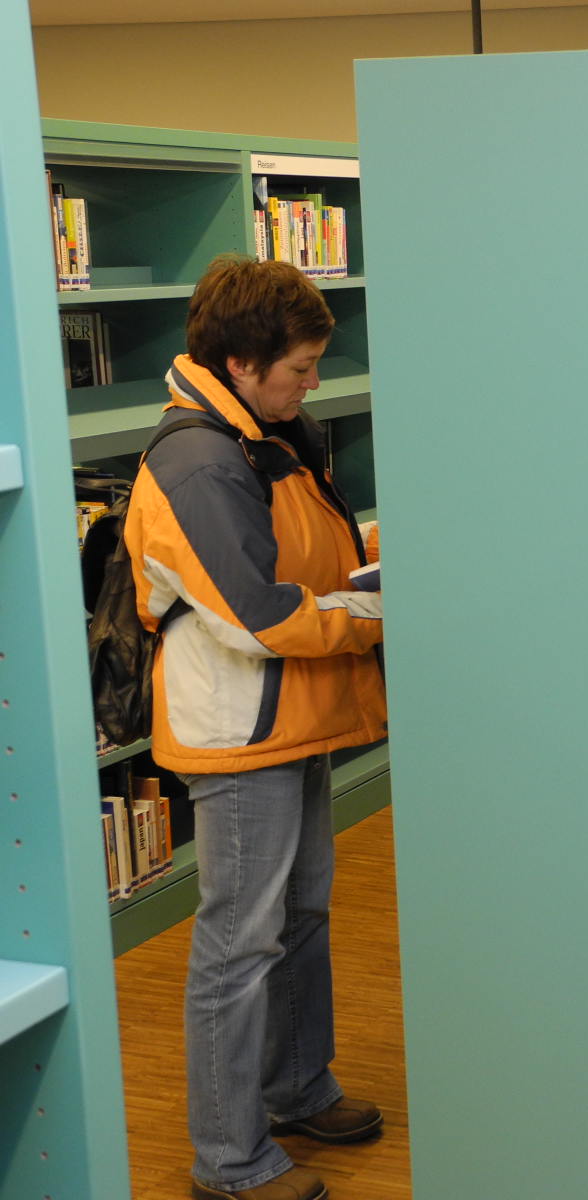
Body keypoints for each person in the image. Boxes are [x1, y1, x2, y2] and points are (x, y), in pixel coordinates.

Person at [125, 256, 389, 1200]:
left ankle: (297, 1087)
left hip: (295, 714)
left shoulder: (265, 430)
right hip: (241, 732)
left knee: (301, 917)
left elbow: (306, 551)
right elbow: (258, 616)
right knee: (239, 945)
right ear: (242, 363)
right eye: (301, 367)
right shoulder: (198, 463)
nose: (313, 382)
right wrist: (379, 613)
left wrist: (376, 561)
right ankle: (230, 1163)